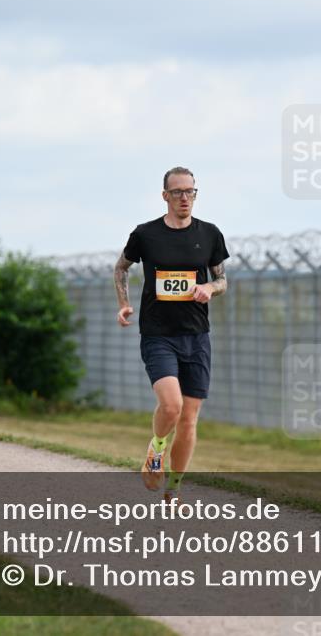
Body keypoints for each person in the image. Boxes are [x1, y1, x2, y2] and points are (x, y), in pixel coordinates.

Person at [113, 166, 229, 502]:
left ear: (195, 194)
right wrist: (123, 303)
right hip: (158, 334)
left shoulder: (209, 234)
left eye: (190, 191)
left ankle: (174, 488)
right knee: (172, 406)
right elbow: (122, 266)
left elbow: (223, 280)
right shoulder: (146, 234)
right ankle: (156, 449)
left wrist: (210, 287)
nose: (184, 198)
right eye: (177, 192)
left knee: (190, 420)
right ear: (165, 196)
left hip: (197, 336)